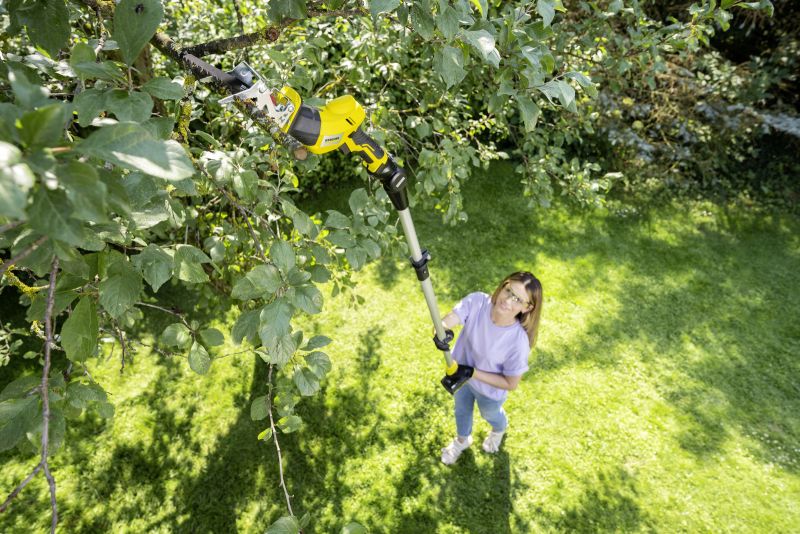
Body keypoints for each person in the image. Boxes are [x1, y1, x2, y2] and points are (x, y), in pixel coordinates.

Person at [439, 271, 543, 465]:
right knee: (461, 410)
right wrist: (442, 328)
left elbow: (511, 383)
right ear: (503, 285)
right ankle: (462, 441)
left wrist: (472, 372)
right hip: (460, 377)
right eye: (509, 291)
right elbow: (450, 319)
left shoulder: (518, 342)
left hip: (489, 391)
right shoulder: (478, 302)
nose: (508, 301)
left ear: (528, 307)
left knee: (490, 414)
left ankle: (499, 429)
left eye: (518, 300)